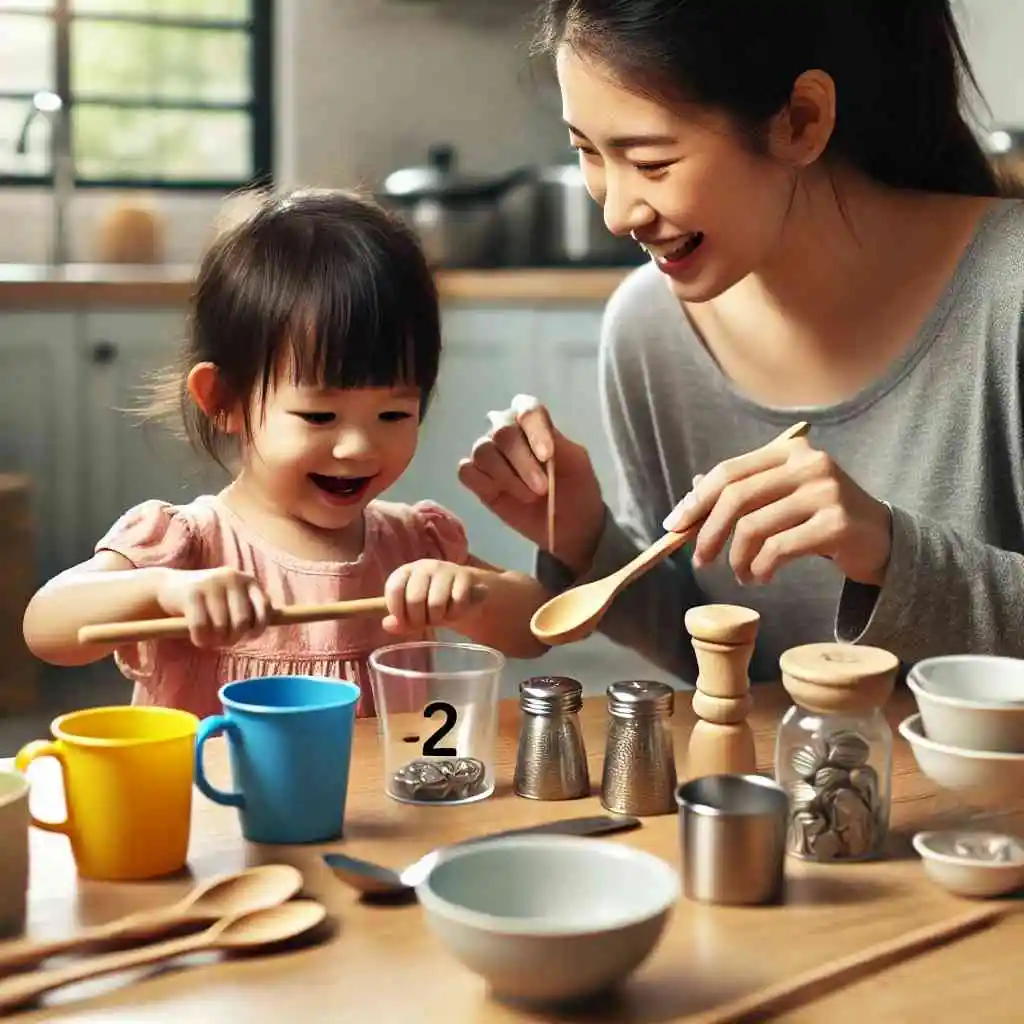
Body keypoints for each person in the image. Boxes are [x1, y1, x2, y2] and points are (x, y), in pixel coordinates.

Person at [458, 0, 1024, 685]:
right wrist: (586, 541)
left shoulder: (1010, 289)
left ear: (802, 121)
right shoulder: (649, 327)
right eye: (586, 151)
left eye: (652, 160)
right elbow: (716, 662)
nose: (615, 212)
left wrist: (889, 553)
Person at [23, 188, 549, 718]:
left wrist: (473, 592)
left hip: (378, 803)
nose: (358, 446)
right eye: (319, 416)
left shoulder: (415, 544)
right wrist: (165, 590)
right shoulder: (189, 545)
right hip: (219, 801)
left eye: (394, 415)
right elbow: (46, 628)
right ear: (223, 401)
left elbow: (537, 624)